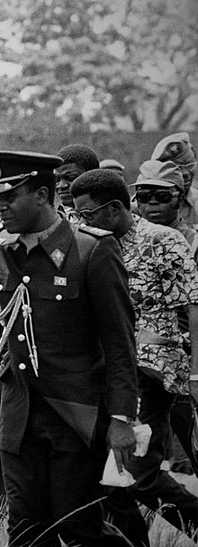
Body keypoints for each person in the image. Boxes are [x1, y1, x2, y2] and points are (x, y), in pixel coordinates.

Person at [0, 151, 139, 546]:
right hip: (17, 413)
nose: (0, 207)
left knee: (78, 528)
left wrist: (123, 419)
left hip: (75, 415)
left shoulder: (92, 250)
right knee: (25, 531)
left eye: (10, 197)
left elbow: (120, 343)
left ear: (42, 195)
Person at [71, 168, 198, 537]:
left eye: (88, 213)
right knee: (109, 479)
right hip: (105, 373)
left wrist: (194, 374)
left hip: (151, 371)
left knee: (137, 475)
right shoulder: (92, 243)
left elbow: (193, 307)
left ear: (114, 208)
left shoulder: (162, 241)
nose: (81, 221)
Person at [131, 160, 198, 477]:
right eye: (144, 196)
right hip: (143, 371)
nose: (152, 204)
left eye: (162, 196)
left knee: (189, 456)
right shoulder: (130, 245)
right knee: (137, 464)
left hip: (184, 370)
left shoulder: (194, 243)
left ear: (181, 198)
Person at [151, 132, 198, 226]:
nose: (186, 173)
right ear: (160, 170)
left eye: (191, 165)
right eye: (177, 167)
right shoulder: (144, 204)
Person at [54, 143, 100, 220]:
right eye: (57, 180)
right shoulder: (57, 219)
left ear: (93, 177)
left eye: (70, 178)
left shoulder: (110, 217)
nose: (61, 186)